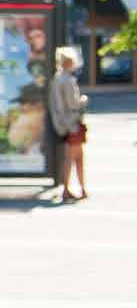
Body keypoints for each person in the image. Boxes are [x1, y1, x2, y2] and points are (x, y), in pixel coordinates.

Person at [47, 47, 88, 202]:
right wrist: (83, 100)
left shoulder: (56, 79)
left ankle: (75, 188)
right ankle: (72, 189)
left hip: (63, 124)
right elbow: (73, 103)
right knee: (76, 158)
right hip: (72, 124)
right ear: (68, 62)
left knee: (71, 158)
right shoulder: (68, 80)